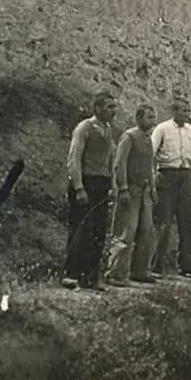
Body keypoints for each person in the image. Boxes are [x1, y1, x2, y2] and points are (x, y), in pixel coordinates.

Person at [62, 91, 119, 291]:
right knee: (80, 230)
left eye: (114, 106)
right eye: (109, 107)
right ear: (97, 108)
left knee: (98, 232)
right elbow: (74, 158)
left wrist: (113, 185)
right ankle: (71, 275)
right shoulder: (84, 128)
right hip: (85, 183)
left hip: (101, 185)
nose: (114, 110)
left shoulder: (108, 129)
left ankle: (92, 276)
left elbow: (111, 161)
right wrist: (79, 187)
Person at [104, 103, 158, 286]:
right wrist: (123, 188)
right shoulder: (129, 137)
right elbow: (119, 164)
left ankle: (140, 271)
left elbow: (150, 167)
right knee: (126, 231)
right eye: (148, 116)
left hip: (145, 191)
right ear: (138, 118)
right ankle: (116, 273)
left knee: (147, 231)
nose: (151, 120)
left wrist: (152, 188)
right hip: (131, 189)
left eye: (153, 117)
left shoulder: (148, 139)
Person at [150, 97, 191, 277]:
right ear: (174, 111)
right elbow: (150, 153)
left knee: (188, 221)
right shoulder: (162, 129)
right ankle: (156, 266)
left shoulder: (190, 130)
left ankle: (187, 265)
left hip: (186, 176)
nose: (187, 114)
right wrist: (152, 177)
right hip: (167, 175)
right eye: (183, 110)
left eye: (188, 110)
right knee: (163, 221)